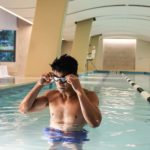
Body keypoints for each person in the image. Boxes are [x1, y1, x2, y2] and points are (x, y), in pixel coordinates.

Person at [19, 54, 102, 150]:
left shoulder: (89, 96)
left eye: (63, 79)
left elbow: (95, 123)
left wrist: (79, 91)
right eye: (56, 79)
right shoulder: (51, 96)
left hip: (74, 138)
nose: (59, 83)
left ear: (74, 77)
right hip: (53, 135)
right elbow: (23, 109)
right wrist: (39, 84)